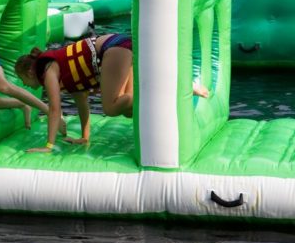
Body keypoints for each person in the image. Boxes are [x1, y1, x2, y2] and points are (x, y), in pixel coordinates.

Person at [15, 33, 209, 153]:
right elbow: (82, 103)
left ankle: (170, 87)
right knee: (128, 110)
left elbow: (54, 109)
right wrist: (85, 137)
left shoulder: (48, 70)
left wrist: (48, 146)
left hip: (113, 49)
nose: (25, 85)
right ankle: (170, 88)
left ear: (30, 72)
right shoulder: (63, 75)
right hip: (117, 45)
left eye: (23, 80)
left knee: (110, 107)